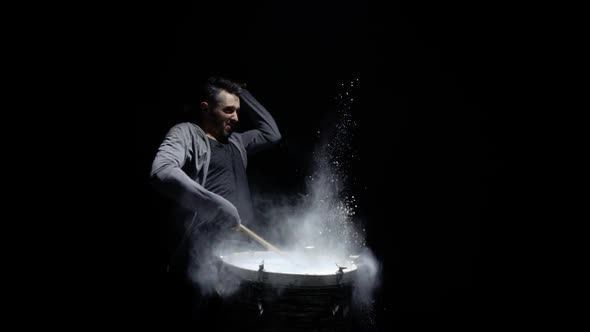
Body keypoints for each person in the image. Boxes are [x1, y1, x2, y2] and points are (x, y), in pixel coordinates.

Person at [149, 76, 281, 326]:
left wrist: (242, 92)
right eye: (228, 110)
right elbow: (162, 171)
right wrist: (215, 204)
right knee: (205, 318)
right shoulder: (187, 133)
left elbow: (272, 135)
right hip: (204, 253)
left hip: (243, 249)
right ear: (206, 108)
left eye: (238, 110)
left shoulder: (237, 142)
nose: (236, 118)